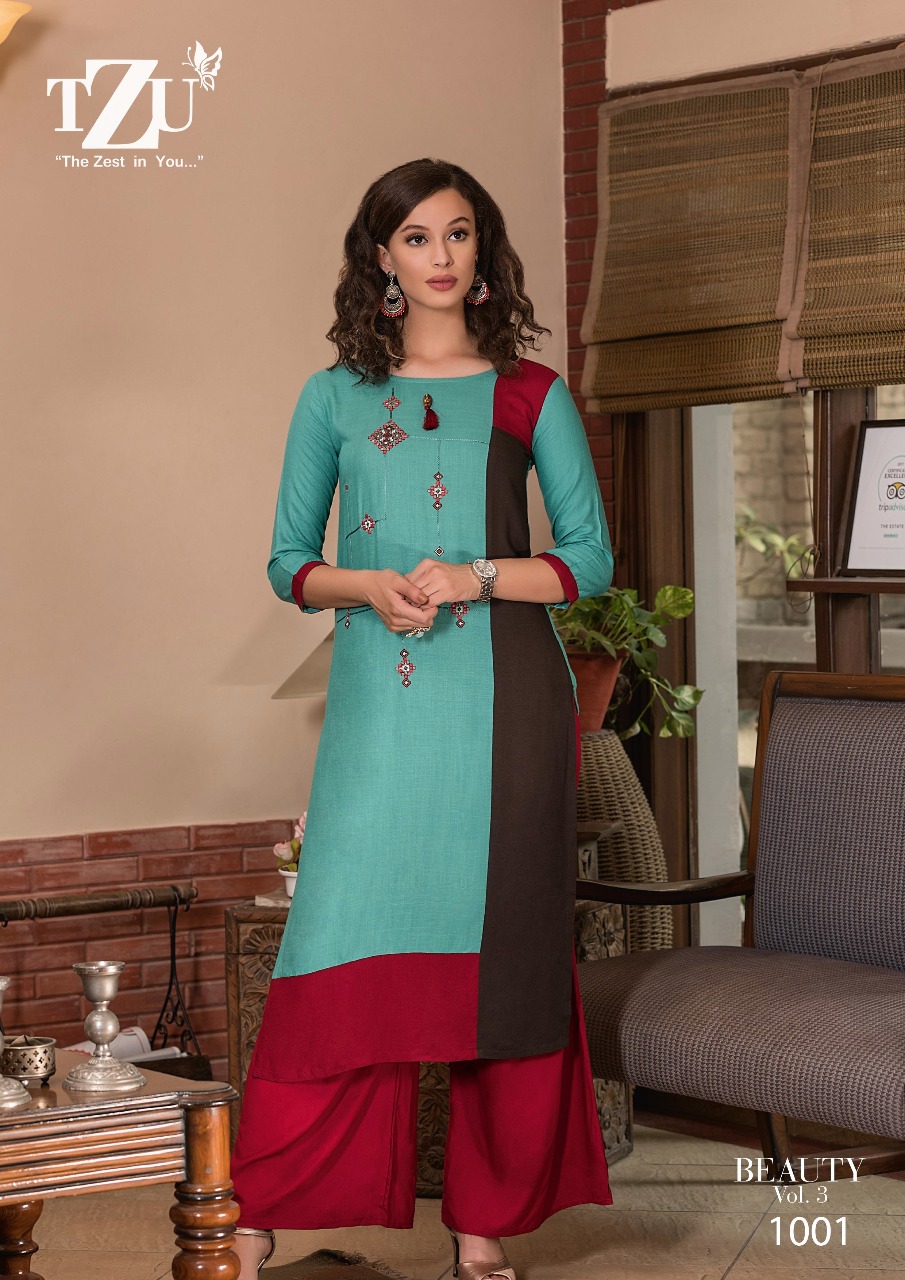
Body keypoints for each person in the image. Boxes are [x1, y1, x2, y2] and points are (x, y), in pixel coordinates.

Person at [229, 156, 615, 1279]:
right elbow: (288, 562)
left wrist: (477, 576)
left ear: (481, 251)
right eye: (415, 237)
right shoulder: (332, 397)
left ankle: (479, 1228)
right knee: (336, 945)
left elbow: (587, 560)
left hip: (508, 711)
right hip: (378, 709)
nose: (439, 256)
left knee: (504, 967)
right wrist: (366, 585)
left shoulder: (529, 393)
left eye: (457, 233)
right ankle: (256, 1211)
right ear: (381, 259)